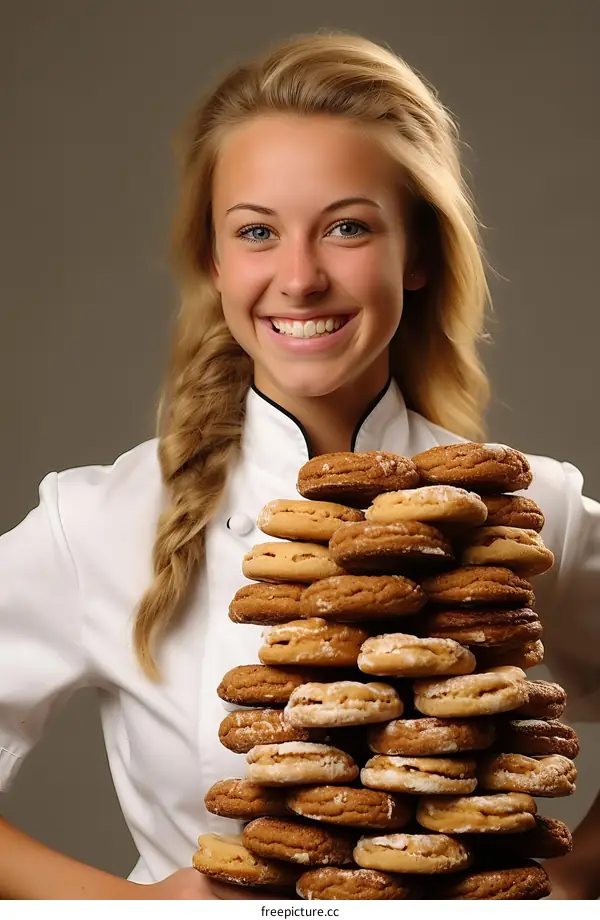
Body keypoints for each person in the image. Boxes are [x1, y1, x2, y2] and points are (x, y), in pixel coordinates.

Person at [0, 30, 598, 901]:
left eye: (348, 227)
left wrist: (576, 881)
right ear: (213, 260)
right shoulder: (101, 519)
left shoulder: (526, 507)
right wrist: (129, 910)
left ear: (420, 253)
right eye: (256, 232)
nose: (300, 277)